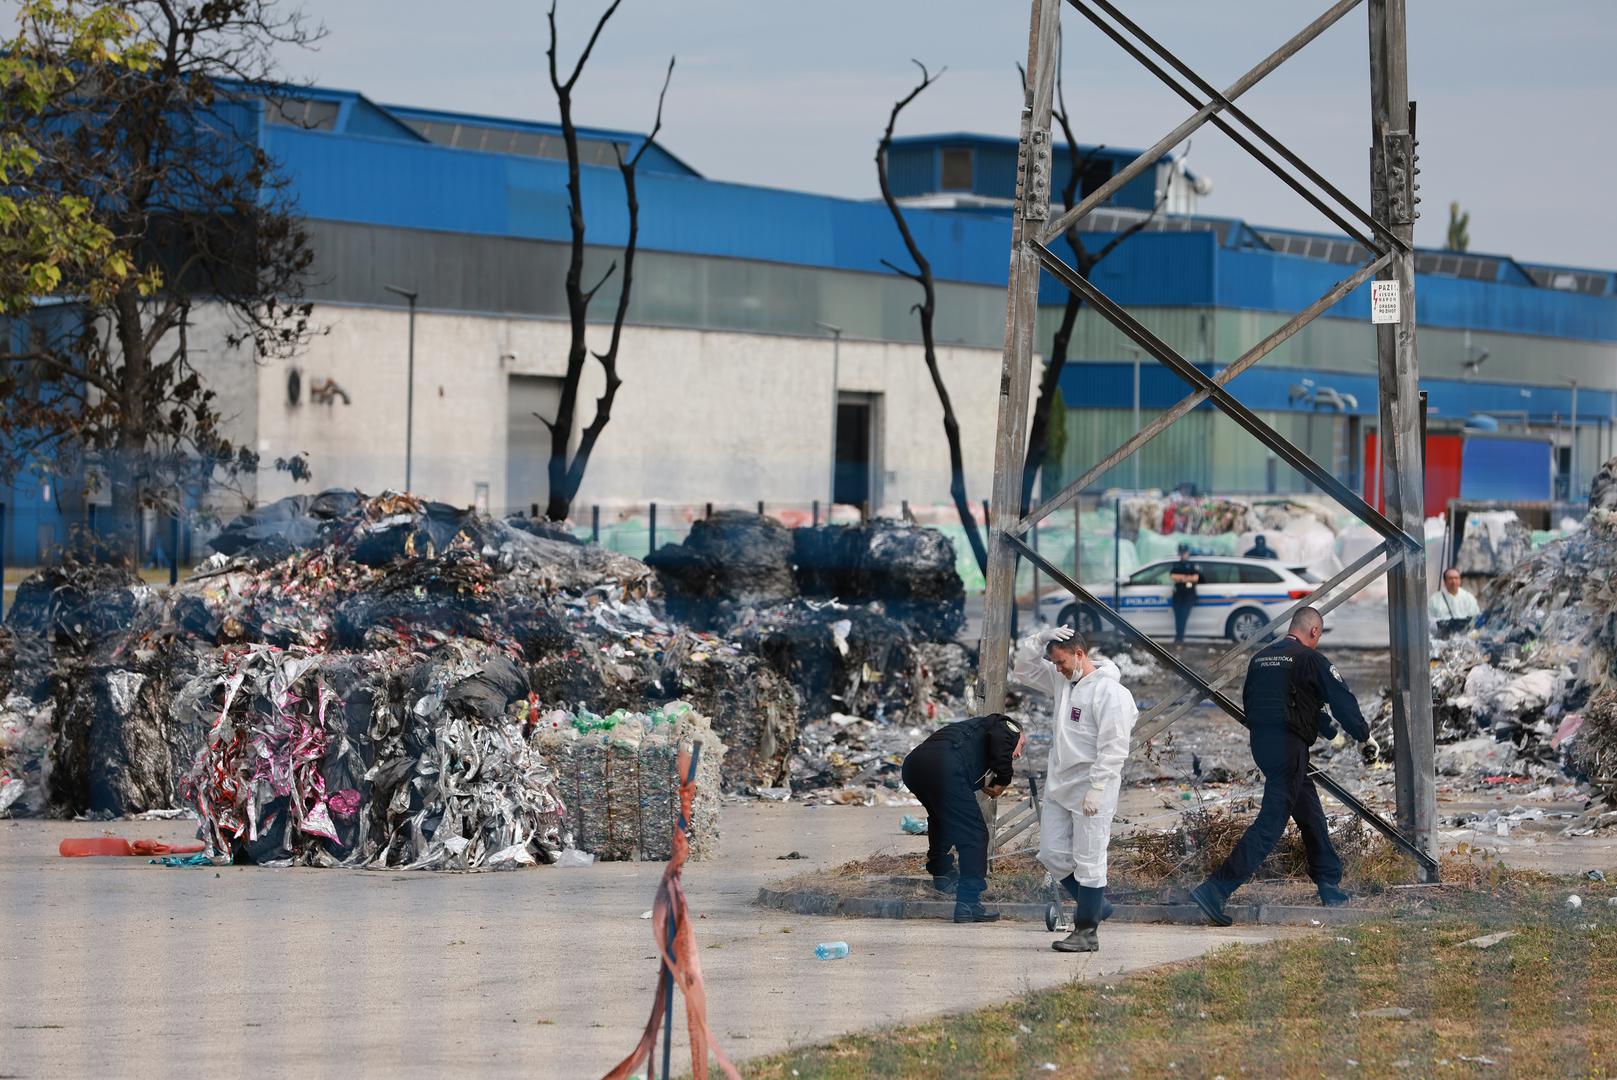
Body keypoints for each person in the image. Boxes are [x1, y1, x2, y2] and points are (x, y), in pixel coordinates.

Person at [1189, 607, 1376, 926]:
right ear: (1314, 632)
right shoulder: (1309, 659)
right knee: (1271, 823)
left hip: (1263, 745)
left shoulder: (1261, 658)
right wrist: (1363, 735)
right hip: (1290, 748)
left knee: (1310, 813)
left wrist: (1321, 725)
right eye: (1318, 636)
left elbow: (1270, 700)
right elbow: (1341, 699)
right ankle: (1216, 889)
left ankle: (1329, 884)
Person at [1013, 625, 1138, 953]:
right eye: (1054, 663)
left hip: (1092, 787)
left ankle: (1086, 931)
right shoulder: (1063, 681)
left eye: (1061, 662)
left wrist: (1098, 787)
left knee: (1089, 858)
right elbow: (1023, 669)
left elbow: (1114, 747)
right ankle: (1094, 904)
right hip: (1060, 784)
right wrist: (1039, 638)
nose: (1057, 668)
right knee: (1052, 853)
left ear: (1079, 654)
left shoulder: (1110, 693)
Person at [900, 712, 1025, 924]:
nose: (1019, 753)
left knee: (942, 818)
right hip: (944, 766)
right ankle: (969, 903)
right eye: (1022, 745)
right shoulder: (1006, 726)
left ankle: (942, 871)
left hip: (914, 766)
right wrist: (1004, 779)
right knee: (975, 834)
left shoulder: (973, 731)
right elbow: (1002, 742)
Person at [1428, 567, 1480, 639]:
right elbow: (1428, 621)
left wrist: (1470, 638)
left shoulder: (1469, 598)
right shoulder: (1434, 600)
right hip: (1442, 640)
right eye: (1450, 578)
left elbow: (1476, 622)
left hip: (1465, 639)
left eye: (1456, 578)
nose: (1454, 581)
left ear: (1460, 580)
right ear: (1445, 581)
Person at [1168, 543, 1201, 648]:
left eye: (1184, 552)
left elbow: (1195, 578)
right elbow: (1172, 576)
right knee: (1178, 617)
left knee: (1183, 616)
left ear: (1188, 553)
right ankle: (1178, 638)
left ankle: (1179, 639)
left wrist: (1181, 578)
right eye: (1181, 553)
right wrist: (1186, 577)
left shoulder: (1192, 564)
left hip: (1188, 595)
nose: (1183, 555)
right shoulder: (1176, 564)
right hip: (1178, 595)